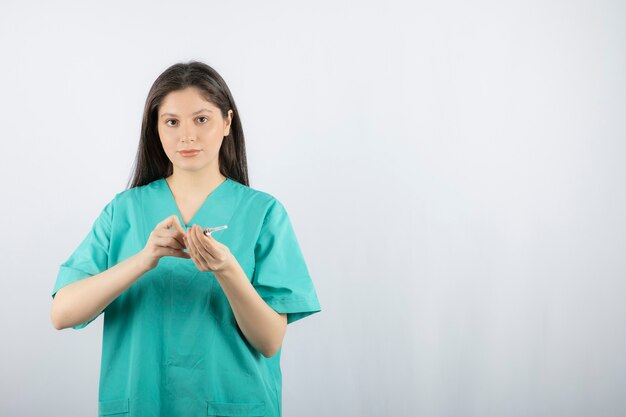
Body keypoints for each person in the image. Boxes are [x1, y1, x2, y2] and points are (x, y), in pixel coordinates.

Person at [50, 61, 321, 417]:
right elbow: (62, 313)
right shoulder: (124, 211)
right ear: (156, 128)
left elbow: (269, 341)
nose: (186, 135)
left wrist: (226, 270)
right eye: (172, 122)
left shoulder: (264, 213)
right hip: (143, 403)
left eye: (202, 119)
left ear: (227, 122)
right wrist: (143, 259)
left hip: (234, 403)